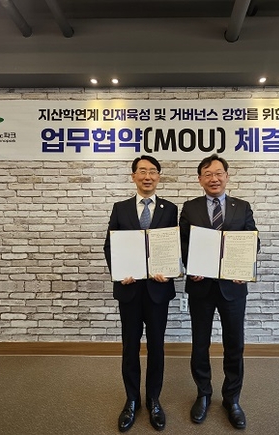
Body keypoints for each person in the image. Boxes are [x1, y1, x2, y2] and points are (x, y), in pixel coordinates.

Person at [179, 154, 259, 430]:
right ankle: (203, 393)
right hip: (201, 286)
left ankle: (231, 399)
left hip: (232, 288)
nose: (214, 179)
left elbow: (253, 242)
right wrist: (191, 265)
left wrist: (243, 267)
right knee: (200, 343)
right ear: (200, 179)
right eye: (207, 174)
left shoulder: (242, 207)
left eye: (218, 173)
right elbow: (182, 243)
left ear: (226, 176)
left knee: (234, 344)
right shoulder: (190, 207)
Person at [104, 155, 178, 432]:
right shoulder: (120, 208)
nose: (148, 176)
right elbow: (110, 246)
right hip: (130, 289)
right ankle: (132, 400)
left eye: (153, 171)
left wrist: (169, 271)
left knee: (157, 347)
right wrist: (119, 272)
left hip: (158, 290)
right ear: (133, 176)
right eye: (142, 171)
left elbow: (173, 247)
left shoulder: (170, 208)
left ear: (159, 176)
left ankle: (154, 400)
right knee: (130, 347)